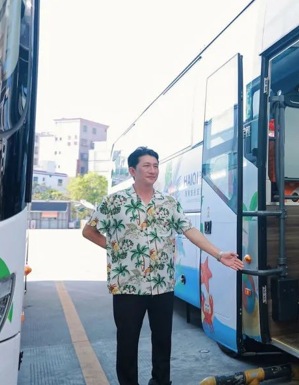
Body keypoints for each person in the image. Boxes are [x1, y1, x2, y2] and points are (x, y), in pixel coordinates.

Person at [82, 147, 244, 385]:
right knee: (127, 342)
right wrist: (115, 249)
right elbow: (89, 231)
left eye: (156, 165)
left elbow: (190, 231)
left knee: (162, 341)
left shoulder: (168, 203)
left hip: (162, 285)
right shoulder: (115, 202)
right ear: (132, 171)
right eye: (146, 165)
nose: (153, 170)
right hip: (127, 286)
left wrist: (219, 255)